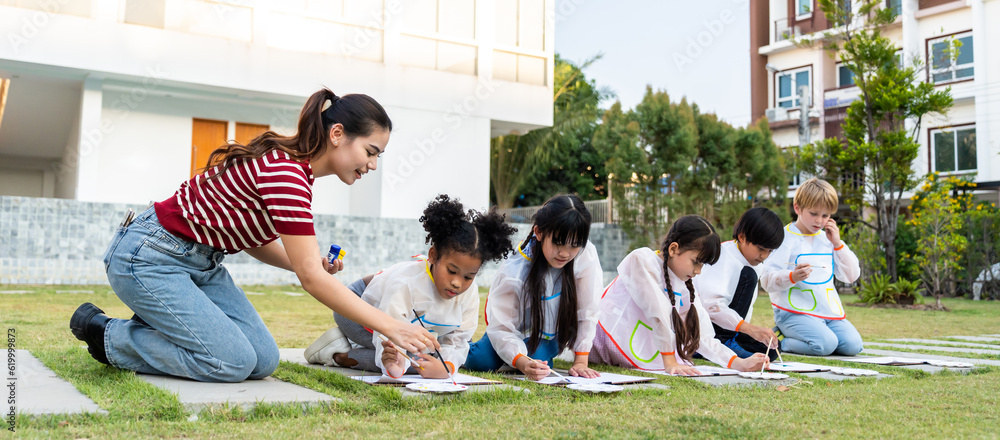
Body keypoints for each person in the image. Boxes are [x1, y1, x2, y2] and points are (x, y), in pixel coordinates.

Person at [70, 88, 438, 383]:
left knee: (262, 361)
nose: (373, 165)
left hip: (200, 266)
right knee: (230, 362)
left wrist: (310, 264)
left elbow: (257, 240)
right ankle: (105, 333)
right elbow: (310, 279)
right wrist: (391, 325)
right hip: (149, 257)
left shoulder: (294, 172)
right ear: (338, 134)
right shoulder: (288, 175)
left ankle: (162, 320)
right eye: (370, 152)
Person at [304, 195, 516, 378]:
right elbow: (387, 328)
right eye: (451, 271)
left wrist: (448, 367)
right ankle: (334, 353)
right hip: (355, 306)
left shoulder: (469, 294)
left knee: (427, 362)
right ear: (433, 256)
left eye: (469, 276)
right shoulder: (408, 284)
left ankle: (354, 349)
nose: (457, 283)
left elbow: (459, 341)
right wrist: (393, 363)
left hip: (392, 320)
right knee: (413, 363)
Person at [591, 215, 769, 375]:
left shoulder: (685, 286)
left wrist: (738, 363)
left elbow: (702, 335)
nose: (698, 271)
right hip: (603, 340)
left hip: (636, 347)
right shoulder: (641, 260)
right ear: (674, 249)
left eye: (703, 265)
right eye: (696, 262)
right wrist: (670, 362)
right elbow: (657, 312)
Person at [464, 194, 603, 381]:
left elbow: (588, 310)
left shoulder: (585, 256)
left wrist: (580, 362)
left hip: (546, 336)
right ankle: (461, 345)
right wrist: (521, 362)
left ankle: (519, 358)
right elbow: (502, 328)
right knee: (481, 361)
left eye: (574, 245)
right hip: (512, 331)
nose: (565, 253)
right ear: (538, 232)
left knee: (539, 361)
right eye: (558, 242)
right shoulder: (515, 270)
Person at [760, 178, 863, 356]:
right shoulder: (784, 238)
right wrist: (792, 277)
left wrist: (838, 244)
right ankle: (780, 339)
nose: (820, 221)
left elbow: (851, 276)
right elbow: (766, 280)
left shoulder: (828, 239)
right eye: (814, 213)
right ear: (797, 207)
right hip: (794, 313)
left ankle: (817, 335)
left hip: (827, 313)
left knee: (853, 346)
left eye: (826, 216)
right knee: (825, 345)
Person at [696, 207, 784, 361]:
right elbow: (711, 306)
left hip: (731, 330)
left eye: (770, 251)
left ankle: (726, 343)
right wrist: (749, 329)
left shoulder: (755, 263)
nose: (764, 256)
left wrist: (753, 331)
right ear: (742, 237)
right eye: (761, 249)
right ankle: (712, 345)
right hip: (701, 328)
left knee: (771, 348)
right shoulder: (723, 257)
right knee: (748, 276)